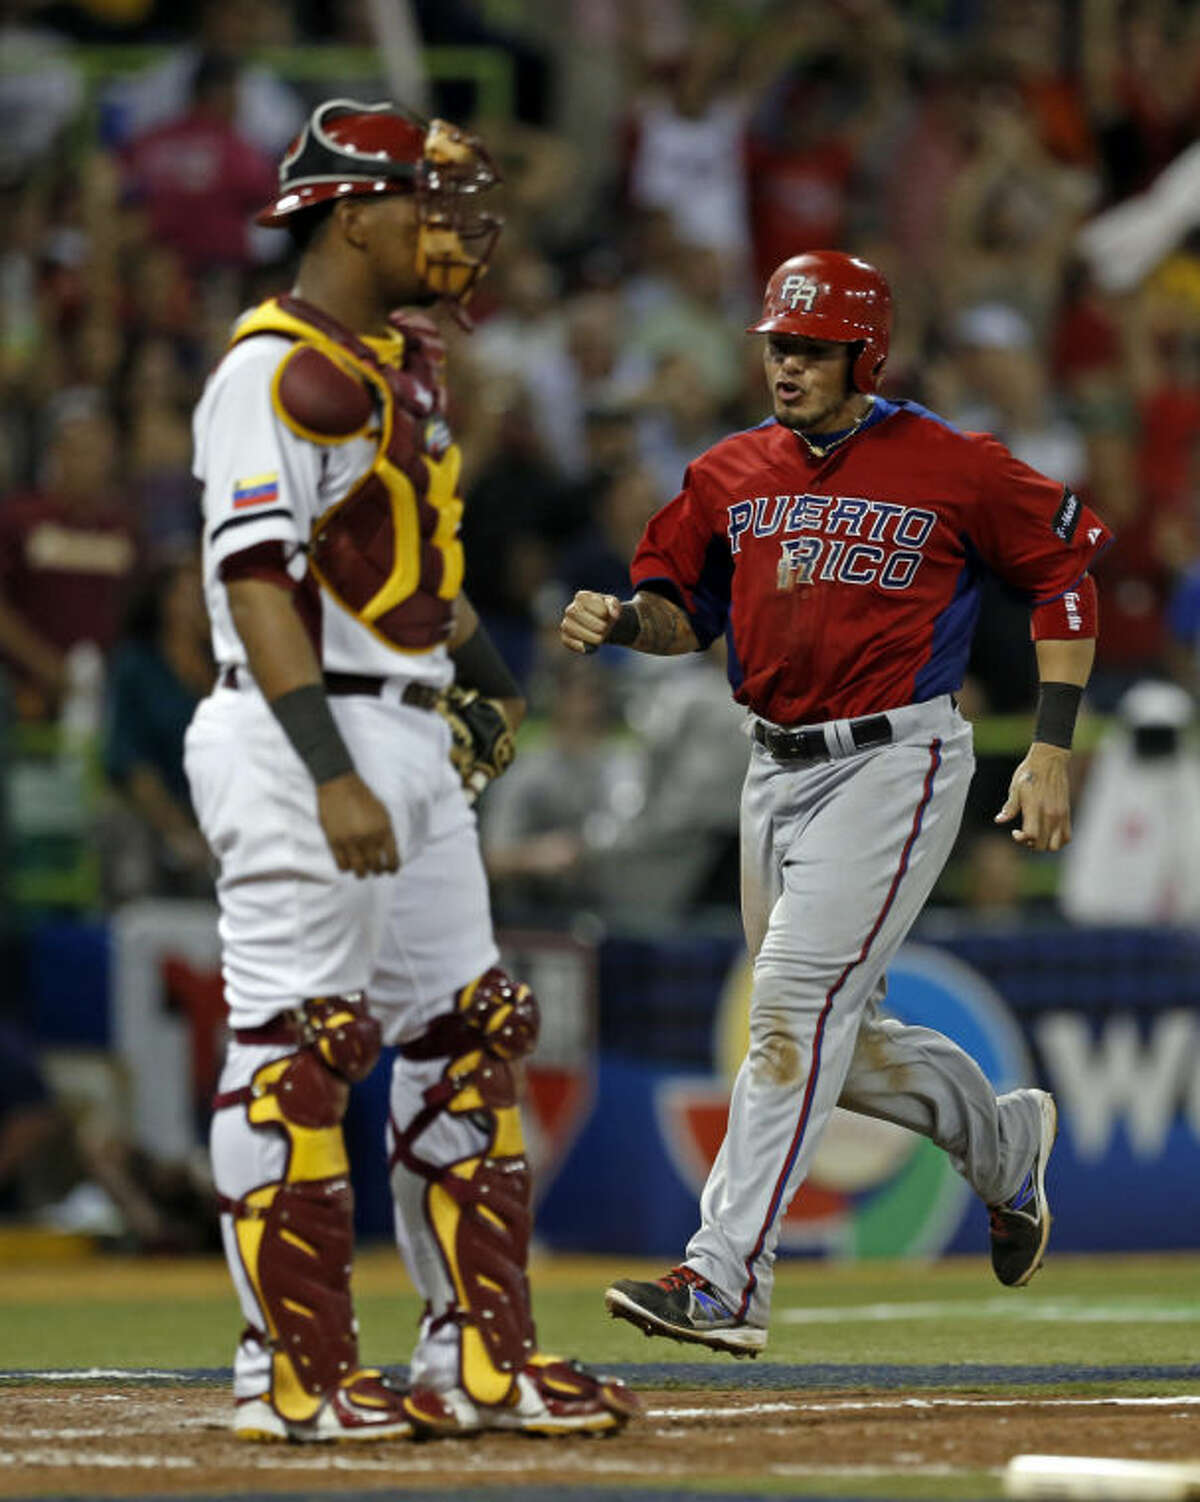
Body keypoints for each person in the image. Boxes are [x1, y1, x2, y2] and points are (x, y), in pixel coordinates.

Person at [560, 249, 1112, 1357]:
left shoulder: (948, 461)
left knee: (787, 1012)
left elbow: (1068, 565)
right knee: (833, 1042)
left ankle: (725, 1274)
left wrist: (1050, 748)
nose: (789, 363)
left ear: (866, 351)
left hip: (893, 759)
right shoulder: (728, 471)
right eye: (778, 343)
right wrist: (627, 623)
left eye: (812, 346)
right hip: (769, 765)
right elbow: (684, 615)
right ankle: (1001, 1144)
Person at [184, 99, 638, 1442]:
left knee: (469, 1030)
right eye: (426, 206)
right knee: (298, 1047)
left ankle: (480, 1356)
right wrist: (331, 766)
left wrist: (480, 689)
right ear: (349, 212)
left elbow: (404, 570)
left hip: (406, 722)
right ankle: (292, 1370)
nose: (452, 232)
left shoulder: (397, 361)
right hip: (296, 728)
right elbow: (256, 581)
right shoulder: (271, 370)